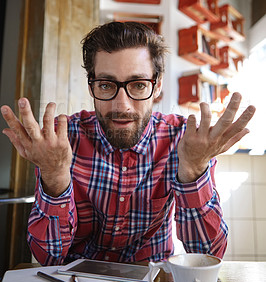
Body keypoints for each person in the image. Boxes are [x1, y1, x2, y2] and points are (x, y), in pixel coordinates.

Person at [1, 22, 255, 266]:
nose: (122, 106)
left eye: (138, 85)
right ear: (92, 86)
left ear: (157, 86)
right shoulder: (59, 142)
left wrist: (194, 170)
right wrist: (55, 175)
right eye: (106, 85)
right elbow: (48, 257)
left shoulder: (185, 141)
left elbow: (207, 256)